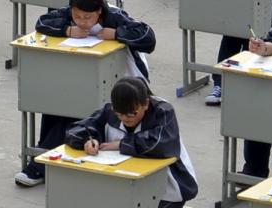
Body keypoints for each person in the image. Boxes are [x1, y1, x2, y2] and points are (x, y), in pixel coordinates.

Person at [16, 0, 158, 186]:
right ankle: (45, 157)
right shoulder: (69, 14)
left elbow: (148, 38)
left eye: (87, 17)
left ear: (99, 10)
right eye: (77, 17)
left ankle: (43, 162)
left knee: (75, 103)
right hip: (79, 75)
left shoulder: (115, 16)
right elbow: (42, 22)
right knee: (55, 100)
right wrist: (67, 29)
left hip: (120, 79)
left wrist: (117, 34)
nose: (82, 22)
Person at [65, 77, 198, 208]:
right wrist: (89, 139)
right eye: (119, 115)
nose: (124, 119)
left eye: (131, 114)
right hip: (125, 184)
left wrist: (121, 144)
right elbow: (75, 130)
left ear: (145, 104)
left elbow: (162, 144)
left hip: (169, 187)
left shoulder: (162, 112)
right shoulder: (110, 111)